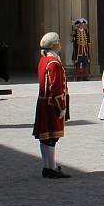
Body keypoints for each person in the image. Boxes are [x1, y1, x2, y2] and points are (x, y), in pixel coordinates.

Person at [33, 32, 70, 178]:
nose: (60, 43)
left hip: (43, 101)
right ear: (54, 45)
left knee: (45, 137)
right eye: (58, 42)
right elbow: (55, 88)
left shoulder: (44, 60)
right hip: (51, 103)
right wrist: (60, 107)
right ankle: (51, 167)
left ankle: (47, 166)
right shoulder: (54, 63)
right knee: (52, 137)